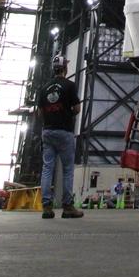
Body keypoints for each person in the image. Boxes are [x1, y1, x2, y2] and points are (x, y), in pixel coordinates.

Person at [35, 54, 83, 221]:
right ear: (65, 68)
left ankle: (46, 207)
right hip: (64, 131)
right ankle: (68, 206)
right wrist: (66, 113)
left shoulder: (43, 88)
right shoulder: (69, 85)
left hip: (47, 131)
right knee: (68, 169)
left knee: (47, 168)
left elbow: (40, 113)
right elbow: (77, 108)